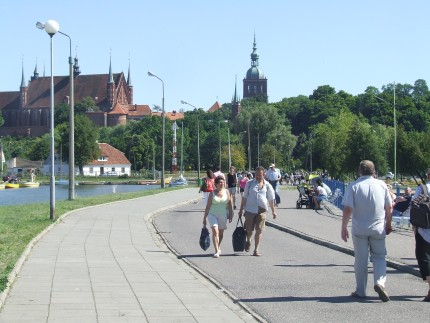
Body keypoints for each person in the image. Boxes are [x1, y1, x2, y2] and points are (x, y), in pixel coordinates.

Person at [341, 160, 393, 302]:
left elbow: (347, 209)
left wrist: (344, 227)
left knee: (361, 260)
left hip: (359, 229)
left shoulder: (354, 186)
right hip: (378, 228)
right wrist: (388, 224)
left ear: (359, 171)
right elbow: (389, 208)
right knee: (380, 257)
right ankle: (380, 283)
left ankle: (361, 291)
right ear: (374, 171)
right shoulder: (382, 185)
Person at [238, 166, 277, 256]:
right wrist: (241, 210)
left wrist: (273, 211)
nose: (258, 176)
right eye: (256, 174)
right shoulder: (249, 183)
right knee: (249, 231)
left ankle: (256, 249)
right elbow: (244, 197)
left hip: (262, 210)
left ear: (263, 174)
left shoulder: (267, 185)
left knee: (259, 230)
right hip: (250, 210)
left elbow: (271, 199)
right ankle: (248, 240)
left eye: (260, 174)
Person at [203, 176, 233, 258]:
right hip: (212, 214)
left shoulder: (227, 192)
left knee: (221, 233)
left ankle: (218, 245)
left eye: (223, 182)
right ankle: (216, 251)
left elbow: (230, 205)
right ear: (216, 184)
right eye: (220, 182)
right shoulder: (212, 193)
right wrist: (204, 218)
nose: (222, 184)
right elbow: (208, 206)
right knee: (215, 232)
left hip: (223, 214)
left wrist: (231, 214)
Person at [412, 169, 430, 302]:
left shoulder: (423, 188)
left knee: (424, 259)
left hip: (425, 230)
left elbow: (413, 207)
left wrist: (415, 228)